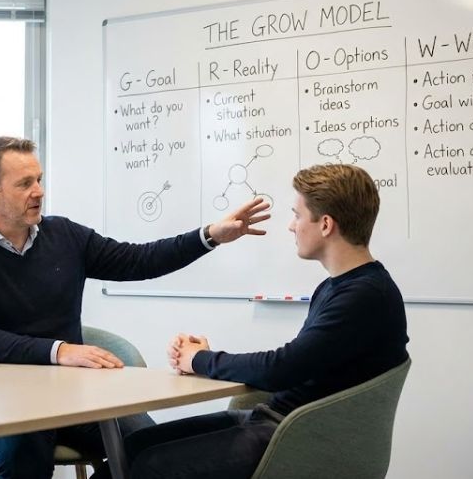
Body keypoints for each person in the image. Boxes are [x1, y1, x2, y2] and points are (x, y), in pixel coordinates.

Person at [0, 136, 271, 479]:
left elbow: (140, 260)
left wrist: (210, 235)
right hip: (3, 400)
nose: (39, 191)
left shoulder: (64, 235)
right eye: (25, 184)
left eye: (39, 180)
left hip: (75, 394)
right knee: (26, 458)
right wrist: (59, 351)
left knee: (151, 449)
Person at [98, 163, 409, 479]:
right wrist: (203, 359)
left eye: (298, 215)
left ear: (326, 224)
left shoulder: (365, 296)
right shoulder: (338, 287)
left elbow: (281, 368)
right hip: (272, 420)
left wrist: (201, 359)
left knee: (151, 465)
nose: (291, 226)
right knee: (133, 447)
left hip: (296, 439)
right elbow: (297, 363)